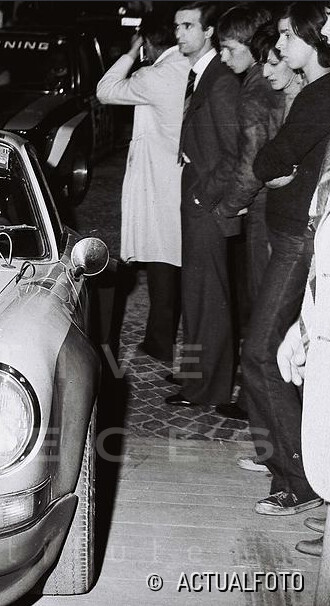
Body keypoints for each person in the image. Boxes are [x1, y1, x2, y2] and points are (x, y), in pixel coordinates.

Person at [244, 1, 330, 518]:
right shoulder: (315, 90)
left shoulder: (327, 92)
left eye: (288, 36)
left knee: (261, 353)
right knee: (270, 350)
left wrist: (279, 164)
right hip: (288, 233)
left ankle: (299, 478)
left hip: (300, 239)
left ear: (314, 39)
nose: (278, 46)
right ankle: (280, 457)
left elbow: (272, 158)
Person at [96, 13, 190, 364]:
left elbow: (105, 90)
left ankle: (159, 341)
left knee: (161, 258)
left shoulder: (153, 76)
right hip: (183, 175)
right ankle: (168, 337)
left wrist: (130, 53)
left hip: (159, 181)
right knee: (177, 258)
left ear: (148, 42)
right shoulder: (189, 67)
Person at [163, 2, 241, 410]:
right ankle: (196, 378)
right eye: (177, 26)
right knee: (195, 294)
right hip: (196, 196)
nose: (179, 34)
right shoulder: (202, 75)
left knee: (208, 298)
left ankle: (208, 388)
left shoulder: (221, 81)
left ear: (209, 31)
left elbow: (235, 153)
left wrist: (202, 196)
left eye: (188, 26)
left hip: (207, 205)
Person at [210, 5, 286, 421]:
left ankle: (260, 408)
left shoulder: (255, 91)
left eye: (229, 48)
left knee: (263, 307)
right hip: (272, 204)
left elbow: (250, 164)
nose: (223, 58)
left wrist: (227, 206)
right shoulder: (269, 81)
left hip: (263, 209)